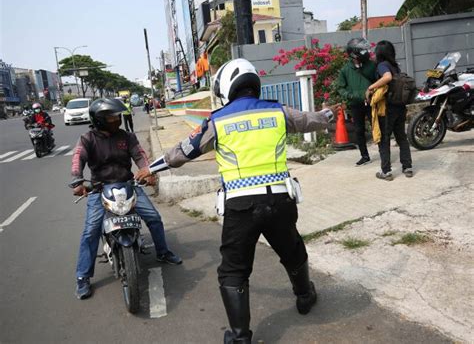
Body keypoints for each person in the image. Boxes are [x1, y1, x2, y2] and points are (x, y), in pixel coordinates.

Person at [135, 59, 340, 343]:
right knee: (292, 249)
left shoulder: (218, 120)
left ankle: (241, 337)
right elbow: (313, 119)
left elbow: (183, 152)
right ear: (254, 82)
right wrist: (330, 113)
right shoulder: (278, 112)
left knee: (234, 270)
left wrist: (151, 169)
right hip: (279, 200)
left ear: (226, 87)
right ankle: (305, 296)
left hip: (241, 206)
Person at [70, 98, 182, 300]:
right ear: (99, 119)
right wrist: (77, 180)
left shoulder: (127, 137)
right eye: (111, 117)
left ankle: (163, 251)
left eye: (117, 116)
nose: (116, 119)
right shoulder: (87, 139)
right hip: (99, 189)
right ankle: (82, 277)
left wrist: (147, 171)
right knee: (90, 231)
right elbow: (78, 157)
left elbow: (139, 155)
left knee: (154, 218)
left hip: (128, 185)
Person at [366, 40, 413, 180]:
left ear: (378, 53)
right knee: (402, 138)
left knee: (384, 139)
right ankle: (407, 167)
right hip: (400, 107)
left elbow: (387, 77)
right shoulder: (395, 66)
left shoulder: (382, 66)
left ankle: (386, 171)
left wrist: (370, 88)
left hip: (387, 109)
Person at [338, 38, 377, 166]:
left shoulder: (372, 65)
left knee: (377, 127)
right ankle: (364, 156)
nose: (366, 53)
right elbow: (341, 88)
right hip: (356, 104)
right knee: (359, 130)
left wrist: (373, 93)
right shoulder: (345, 70)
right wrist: (352, 96)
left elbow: (379, 81)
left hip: (372, 102)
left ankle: (384, 153)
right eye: (362, 51)